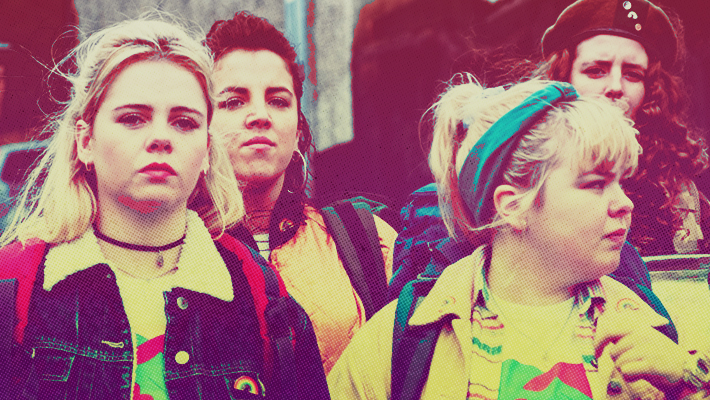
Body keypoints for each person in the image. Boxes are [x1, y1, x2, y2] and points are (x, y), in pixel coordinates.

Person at [0, 16, 328, 399]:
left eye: (184, 122)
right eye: (133, 118)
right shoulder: (15, 285)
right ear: (85, 141)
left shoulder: (260, 296)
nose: (160, 138)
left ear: (207, 152)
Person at [328, 77, 709, 400]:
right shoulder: (406, 337)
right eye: (595, 184)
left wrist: (689, 383)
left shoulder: (646, 321)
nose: (624, 203)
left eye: (621, 182)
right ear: (513, 206)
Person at [389, 0, 705, 307]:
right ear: (562, 78)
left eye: (633, 74)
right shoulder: (480, 188)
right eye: (596, 70)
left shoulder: (682, 194)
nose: (615, 86)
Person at [204, 11, 398, 376]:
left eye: (278, 101)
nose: (260, 115)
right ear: (199, 124)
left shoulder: (366, 238)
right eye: (233, 101)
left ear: (297, 130)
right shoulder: (171, 250)